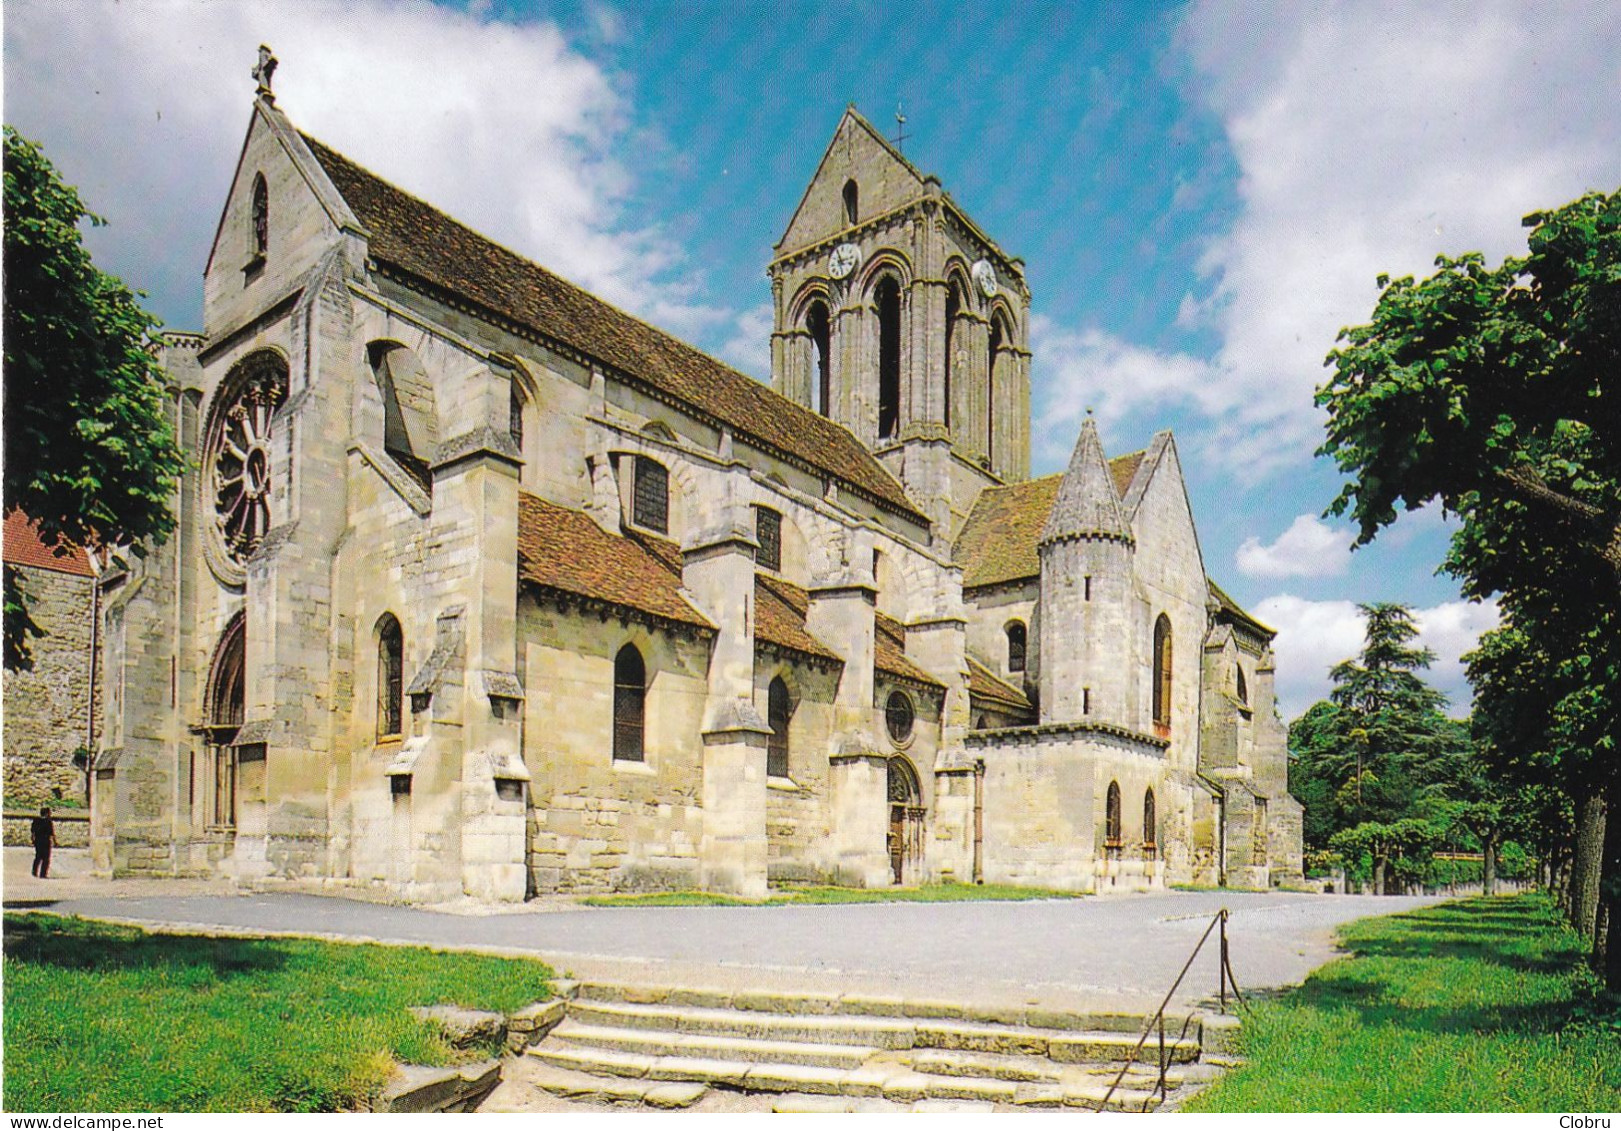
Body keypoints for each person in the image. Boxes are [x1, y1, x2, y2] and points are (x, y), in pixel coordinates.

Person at [30, 806, 55, 878]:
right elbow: (51, 833)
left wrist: (33, 840)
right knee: (46, 858)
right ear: (47, 813)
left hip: (38, 841)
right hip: (46, 842)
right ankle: (43, 874)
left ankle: (34, 871)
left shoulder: (36, 821)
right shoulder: (48, 822)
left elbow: (33, 832)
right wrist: (55, 841)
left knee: (38, 856)